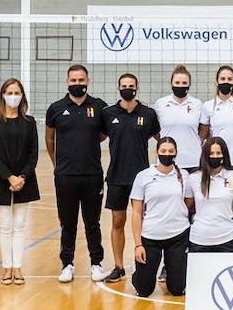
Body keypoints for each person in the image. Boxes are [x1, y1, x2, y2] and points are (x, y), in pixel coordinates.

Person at [46, 64, 110, 283]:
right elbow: (50, 139)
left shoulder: (99, 106)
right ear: (67, 82)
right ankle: (67, 264)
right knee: (68, 223)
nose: (77, 84)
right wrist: (58, 165)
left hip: (92, 175)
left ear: (88, 81)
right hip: (65, 177)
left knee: (93, 223)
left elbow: (103, 135)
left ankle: (96, 264)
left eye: (81, 80)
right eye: (73, 81)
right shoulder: (56, 108)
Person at [0, 78, 40, 286]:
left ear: (22, 95)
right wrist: (10, 177)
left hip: (25, 180)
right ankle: (7, 267)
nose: (13, 96)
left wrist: (21, 177)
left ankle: (18, 266)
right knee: (5, 226)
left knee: (20, 225)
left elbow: (33, 155)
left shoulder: (29, 122)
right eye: (9, 92)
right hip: (1, 179)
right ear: (3, 95)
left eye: (17, 92)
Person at [101, 73, 158, 283]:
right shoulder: (108, 113)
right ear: (118, 88)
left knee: (142, 221)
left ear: (137, 87)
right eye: (124, 86)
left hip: (142, 178)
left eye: (131, 85)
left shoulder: (148, 113)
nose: (128, 88)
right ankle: (118, 266)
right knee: (118, 220)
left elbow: (161, 139)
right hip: (116, 176)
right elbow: (97, 135)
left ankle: (143, 263)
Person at [129, 137, 192, 297]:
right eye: (163, 151)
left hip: (178, 236)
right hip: (151, 237)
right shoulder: (143, 176)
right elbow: (137, 212)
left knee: (177, 289)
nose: (167, 154)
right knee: (144, 290)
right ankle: (139, 275)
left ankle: (174, 270)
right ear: (157, 151)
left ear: (176, 153)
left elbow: (188, 203)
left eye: (171, 151)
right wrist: (138, 245)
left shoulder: (184, 176)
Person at [187, 137, 233, 252]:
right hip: (199, 240)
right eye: (211, 153)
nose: (215, 156)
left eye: (218, 153)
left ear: (224, 155)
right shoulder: (193, 178)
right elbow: (187, 206)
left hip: (228, 239)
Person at [200, 65, 233, 170]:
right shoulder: (208, 106)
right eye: (222, 79)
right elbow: (203, 133)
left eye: (229, 79)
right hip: (217, 160)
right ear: (217, 82)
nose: (226, 82)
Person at [155, 66, 203, 169]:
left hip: (193, 161)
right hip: (167, 161)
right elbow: (154, 129)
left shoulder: (197, 104)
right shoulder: (160, 104)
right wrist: (163, 139)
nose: (180, 86)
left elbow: (204, 129)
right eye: (177, 83)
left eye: (184, 83)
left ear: (190, 84)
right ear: (171, 83)